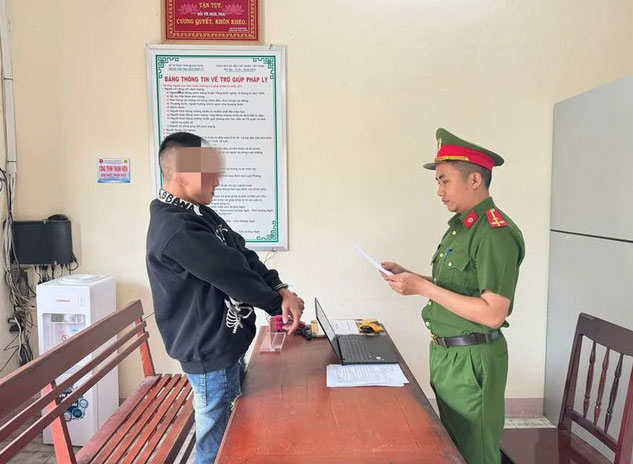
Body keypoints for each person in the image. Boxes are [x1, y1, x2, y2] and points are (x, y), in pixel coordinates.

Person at [146, 132, 304, 463]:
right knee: (217, 442)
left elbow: (240, 254)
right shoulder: (177, 228)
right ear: (183, 174)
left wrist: (279, 288)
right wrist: (277, 305)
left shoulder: (197, 213)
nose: (217, 180)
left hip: (224, 344)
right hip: (209, 352)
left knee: (230, 429)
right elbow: (231, 275)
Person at [382, 128, 525, 464]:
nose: (439, 191)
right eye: (438, 182)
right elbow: (458, 287)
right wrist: (412, 277)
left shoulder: (494, 232)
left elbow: (493, 313)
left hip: (472, 359)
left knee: (476, 453)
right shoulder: (463, 227)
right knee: (454, 449)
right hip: (448, 356)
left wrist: (423, 288)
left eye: (444, 180)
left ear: (474, 179)